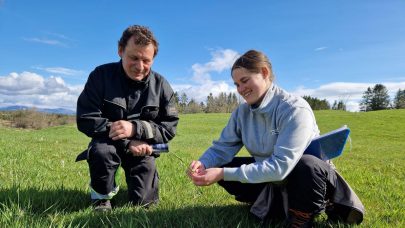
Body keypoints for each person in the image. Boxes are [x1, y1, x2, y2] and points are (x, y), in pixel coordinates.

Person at [188, 50, 364, 227]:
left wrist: (222, 174)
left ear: (264, 73)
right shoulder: (241, 113)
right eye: (236, 84)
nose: (240, 90)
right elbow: (222, 148)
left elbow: (280, 167)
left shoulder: (294, 109)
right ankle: (275, 205)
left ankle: (303, 214)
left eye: (244, 81)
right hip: (273, 180)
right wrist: (204, 164)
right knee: (221, 165)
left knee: (307, 165)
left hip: (305, 181)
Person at [76, 25, 179, 211]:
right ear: (120, 50)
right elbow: (85, 118)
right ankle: (102, 199)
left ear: (153, 59)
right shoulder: (100, 76)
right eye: (134, 57)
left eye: (146, 60)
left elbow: (169, 128)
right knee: (102, 153)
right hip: (107, 144)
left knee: (145, 205)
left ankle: (140, 192)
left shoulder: (162, 86)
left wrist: (135, 129)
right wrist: (126, 141)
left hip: (144, 148)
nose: (140, 66)